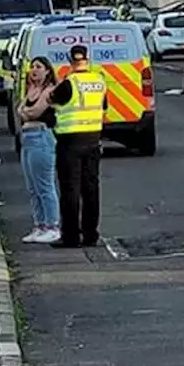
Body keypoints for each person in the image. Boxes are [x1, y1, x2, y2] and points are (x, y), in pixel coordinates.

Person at [49, 45, 106, 248]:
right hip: (93, 140)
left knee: (70, 190)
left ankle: (71, 236)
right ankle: (91, 234)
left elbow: (50, 102)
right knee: (91, 189)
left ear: (71, 61)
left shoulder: (68, 83)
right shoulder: (98, 81)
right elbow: (104, 107)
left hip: (70, 143)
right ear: (87, 59)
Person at [17, 57, 61, 244]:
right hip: (27, 138)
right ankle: (39, 225)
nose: (34, 70)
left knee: (44, 185)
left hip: (42, 137)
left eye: (38, 67)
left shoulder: (49, 90)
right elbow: (20, 110)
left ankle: (52, 225)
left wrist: (26, 113)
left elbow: (35, 112)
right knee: (32, 187)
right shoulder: (31, 90)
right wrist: (25, 113)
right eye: (32, 67)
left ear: (47, 71)